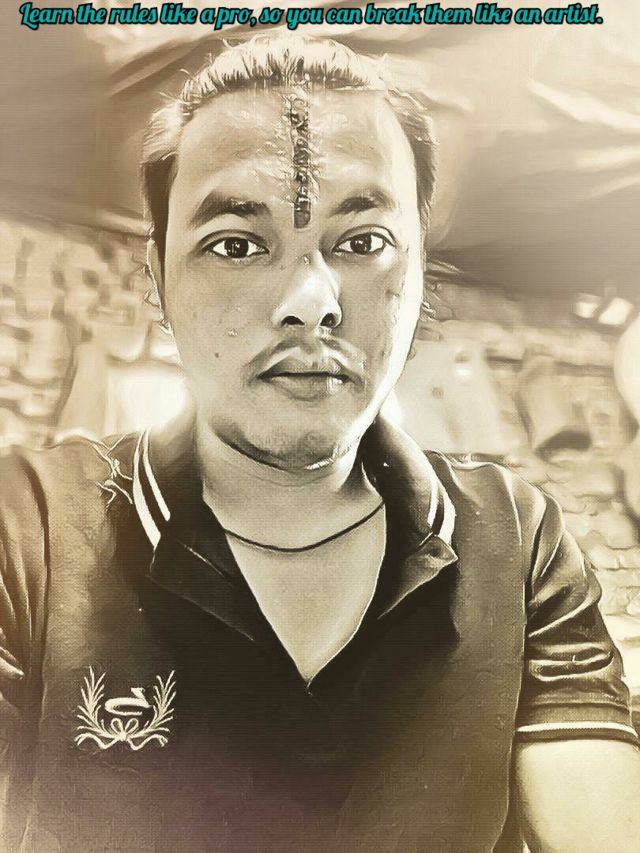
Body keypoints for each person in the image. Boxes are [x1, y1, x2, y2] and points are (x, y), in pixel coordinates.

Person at [1, 34, 640, 853]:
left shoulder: (515, 538)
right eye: (237, 244)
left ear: (421, 269)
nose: (312, 299)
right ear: (158, 277)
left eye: (363, 241)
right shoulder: (28, 525)